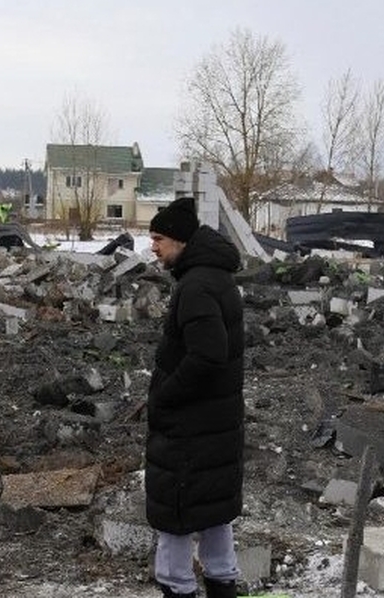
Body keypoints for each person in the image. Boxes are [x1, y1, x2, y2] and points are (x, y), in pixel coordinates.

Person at [144, 196, 245, 598]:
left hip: (189, 428)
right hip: (214, 426)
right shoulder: (215, 278)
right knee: (214, 516)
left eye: (159, 238)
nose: (153, 246)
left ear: (181, 241)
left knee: (176, 523)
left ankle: (178, 590)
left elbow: (207, 354)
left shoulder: (196, 286)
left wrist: (166, 396)